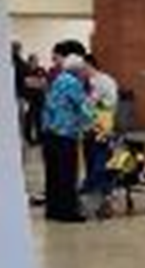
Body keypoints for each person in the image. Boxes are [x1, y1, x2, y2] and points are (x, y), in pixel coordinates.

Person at [40, 42, 93, 223]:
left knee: (52, 175)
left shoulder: (58, 80)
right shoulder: (73, 83)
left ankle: (53, 209)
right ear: (78, 70)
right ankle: (68, 212)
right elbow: (84, 108)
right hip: (65, 134)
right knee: (67, 174)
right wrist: (95, 122)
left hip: (49, 133)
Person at [79, 54, 120, 216]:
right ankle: (92, 191)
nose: (81, 72)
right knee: (89, 159)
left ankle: (105, 196)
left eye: (83, 68)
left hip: (102, 127)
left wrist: (91, 105)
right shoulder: (87, 82)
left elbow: (108, 104)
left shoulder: (104, 82)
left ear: (89, 65)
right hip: (89, 128)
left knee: (101, 161)